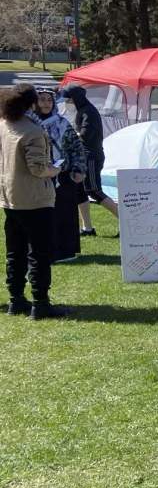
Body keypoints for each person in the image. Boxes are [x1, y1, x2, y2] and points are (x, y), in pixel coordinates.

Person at [1, 84, 66, 319]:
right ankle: (40, 304)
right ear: (31, 103)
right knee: (39, 254)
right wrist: (54, 171)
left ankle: (15, 300)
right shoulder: (32, 131)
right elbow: (38, 168)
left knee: (14, 252)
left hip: (10, 198)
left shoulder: (4, 125)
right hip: (35, 200)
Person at [32, 87, 87, 262]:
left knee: (63, 214)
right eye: (42, 99)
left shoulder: (62, 123)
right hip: (37, 176)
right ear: (35, 102)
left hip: (62, 175)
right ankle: (43, 251)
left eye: (49, 100)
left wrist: (78, 168)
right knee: (41, 216)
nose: (46, 103)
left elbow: (76, 147)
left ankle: (65, 252)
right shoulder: (29, 124)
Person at [61, 85, 118, 235]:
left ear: (75, 98)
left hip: (91, 157)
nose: (67, 102)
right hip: (82, 157)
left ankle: (125, 221)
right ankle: (87, 228)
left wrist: (67, 138)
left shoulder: (89, 112)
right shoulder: (82, 110)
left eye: (68, 99)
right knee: (81, 192)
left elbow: (85, 135)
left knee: (94, 190)